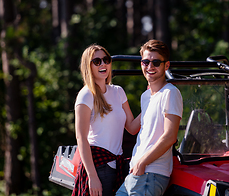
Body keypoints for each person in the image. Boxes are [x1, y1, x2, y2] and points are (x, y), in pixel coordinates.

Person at [116, 39, 183, 196]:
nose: (150, 66)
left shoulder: (170, 93)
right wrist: (115, 96)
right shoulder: (146, 96)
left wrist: (143, 161)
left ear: (166, 65)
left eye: (156, 62)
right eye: (145, 62)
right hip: (137, 173)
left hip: (151, 173)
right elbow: (132, 128)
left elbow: (170, 136)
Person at [72, 44, 141, 196]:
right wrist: (92, 176)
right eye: (97, 61)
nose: (103, 64)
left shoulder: (118, 91)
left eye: (106, 59)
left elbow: (131, 127)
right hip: (97, 166)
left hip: (118, 165)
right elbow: (81, 138)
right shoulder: (85, 95)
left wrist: (152, 100)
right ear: (88, 66)